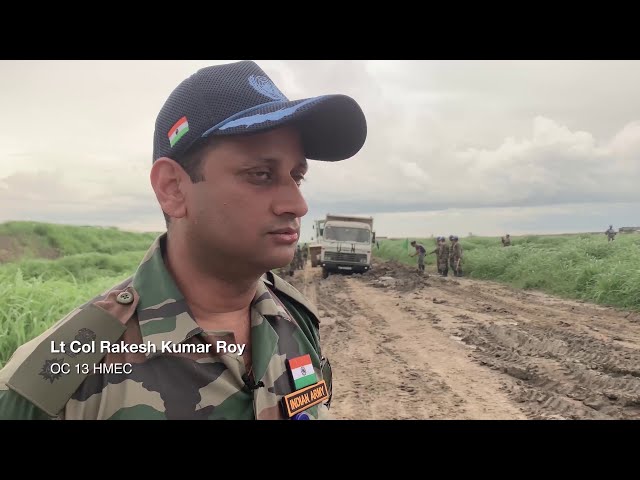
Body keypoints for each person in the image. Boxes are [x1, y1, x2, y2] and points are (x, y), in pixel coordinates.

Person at [0, 60, 367, 420]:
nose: (297, 204)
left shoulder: (294, 315)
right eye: (260, 174)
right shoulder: (58, 381)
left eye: (296, 176)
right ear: (173, 188)